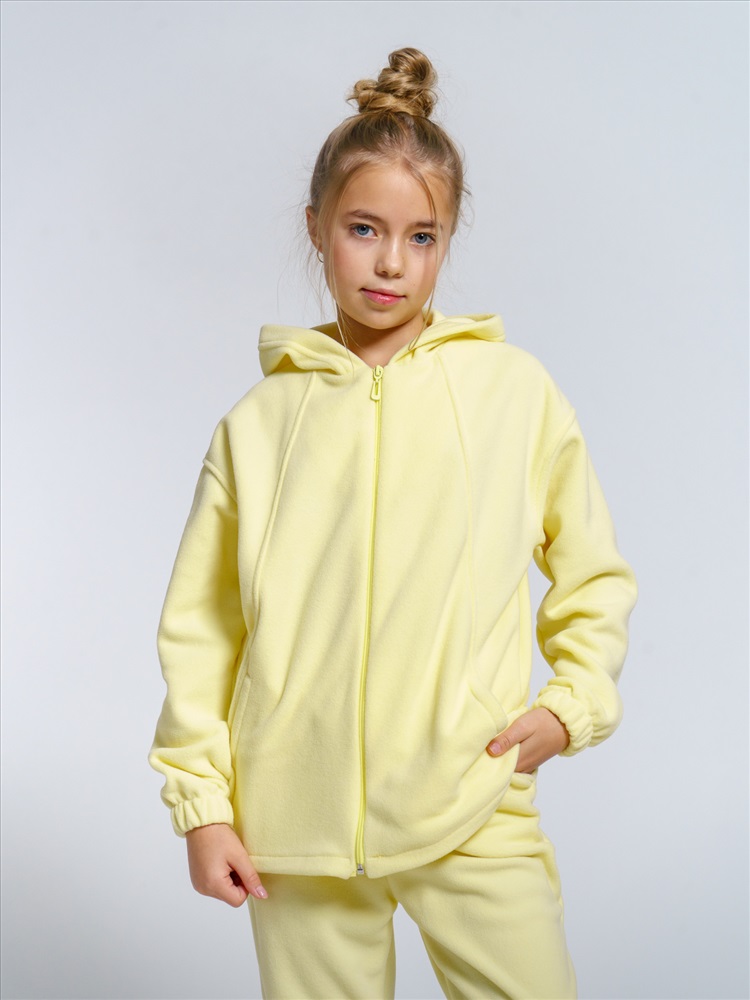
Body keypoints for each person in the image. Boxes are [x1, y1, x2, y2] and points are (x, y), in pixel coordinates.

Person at [149, 46, 637, 1000]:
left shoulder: (513, 393)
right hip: (293, 826)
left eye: (421, 236)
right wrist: (204, 806)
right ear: (317, 227)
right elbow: (201, 630)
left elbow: (592, 570)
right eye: (363, 228)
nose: (389, 262)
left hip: (472, 795)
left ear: (447, 242)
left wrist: (570, 705)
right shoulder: (258, 426)